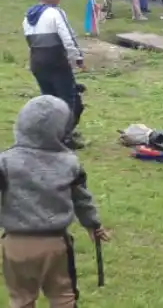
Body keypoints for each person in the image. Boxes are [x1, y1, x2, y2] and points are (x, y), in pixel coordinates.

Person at [0, 96, 111, 308]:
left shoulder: (5, 162)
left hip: (15, 243)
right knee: (63, 297)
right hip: (55, 243)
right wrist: (92, 224)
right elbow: (82, 198)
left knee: (21, 299)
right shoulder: (69, 163)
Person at [22, 0, 86, 150]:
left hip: (37, 62)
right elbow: (68, 37)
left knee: (49, 101)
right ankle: (64, 137)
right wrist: (78, 57)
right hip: (56, 61)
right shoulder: (55, 13)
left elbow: (30, 42)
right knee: (68, 100)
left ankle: (49, 135)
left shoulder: (28, 17)